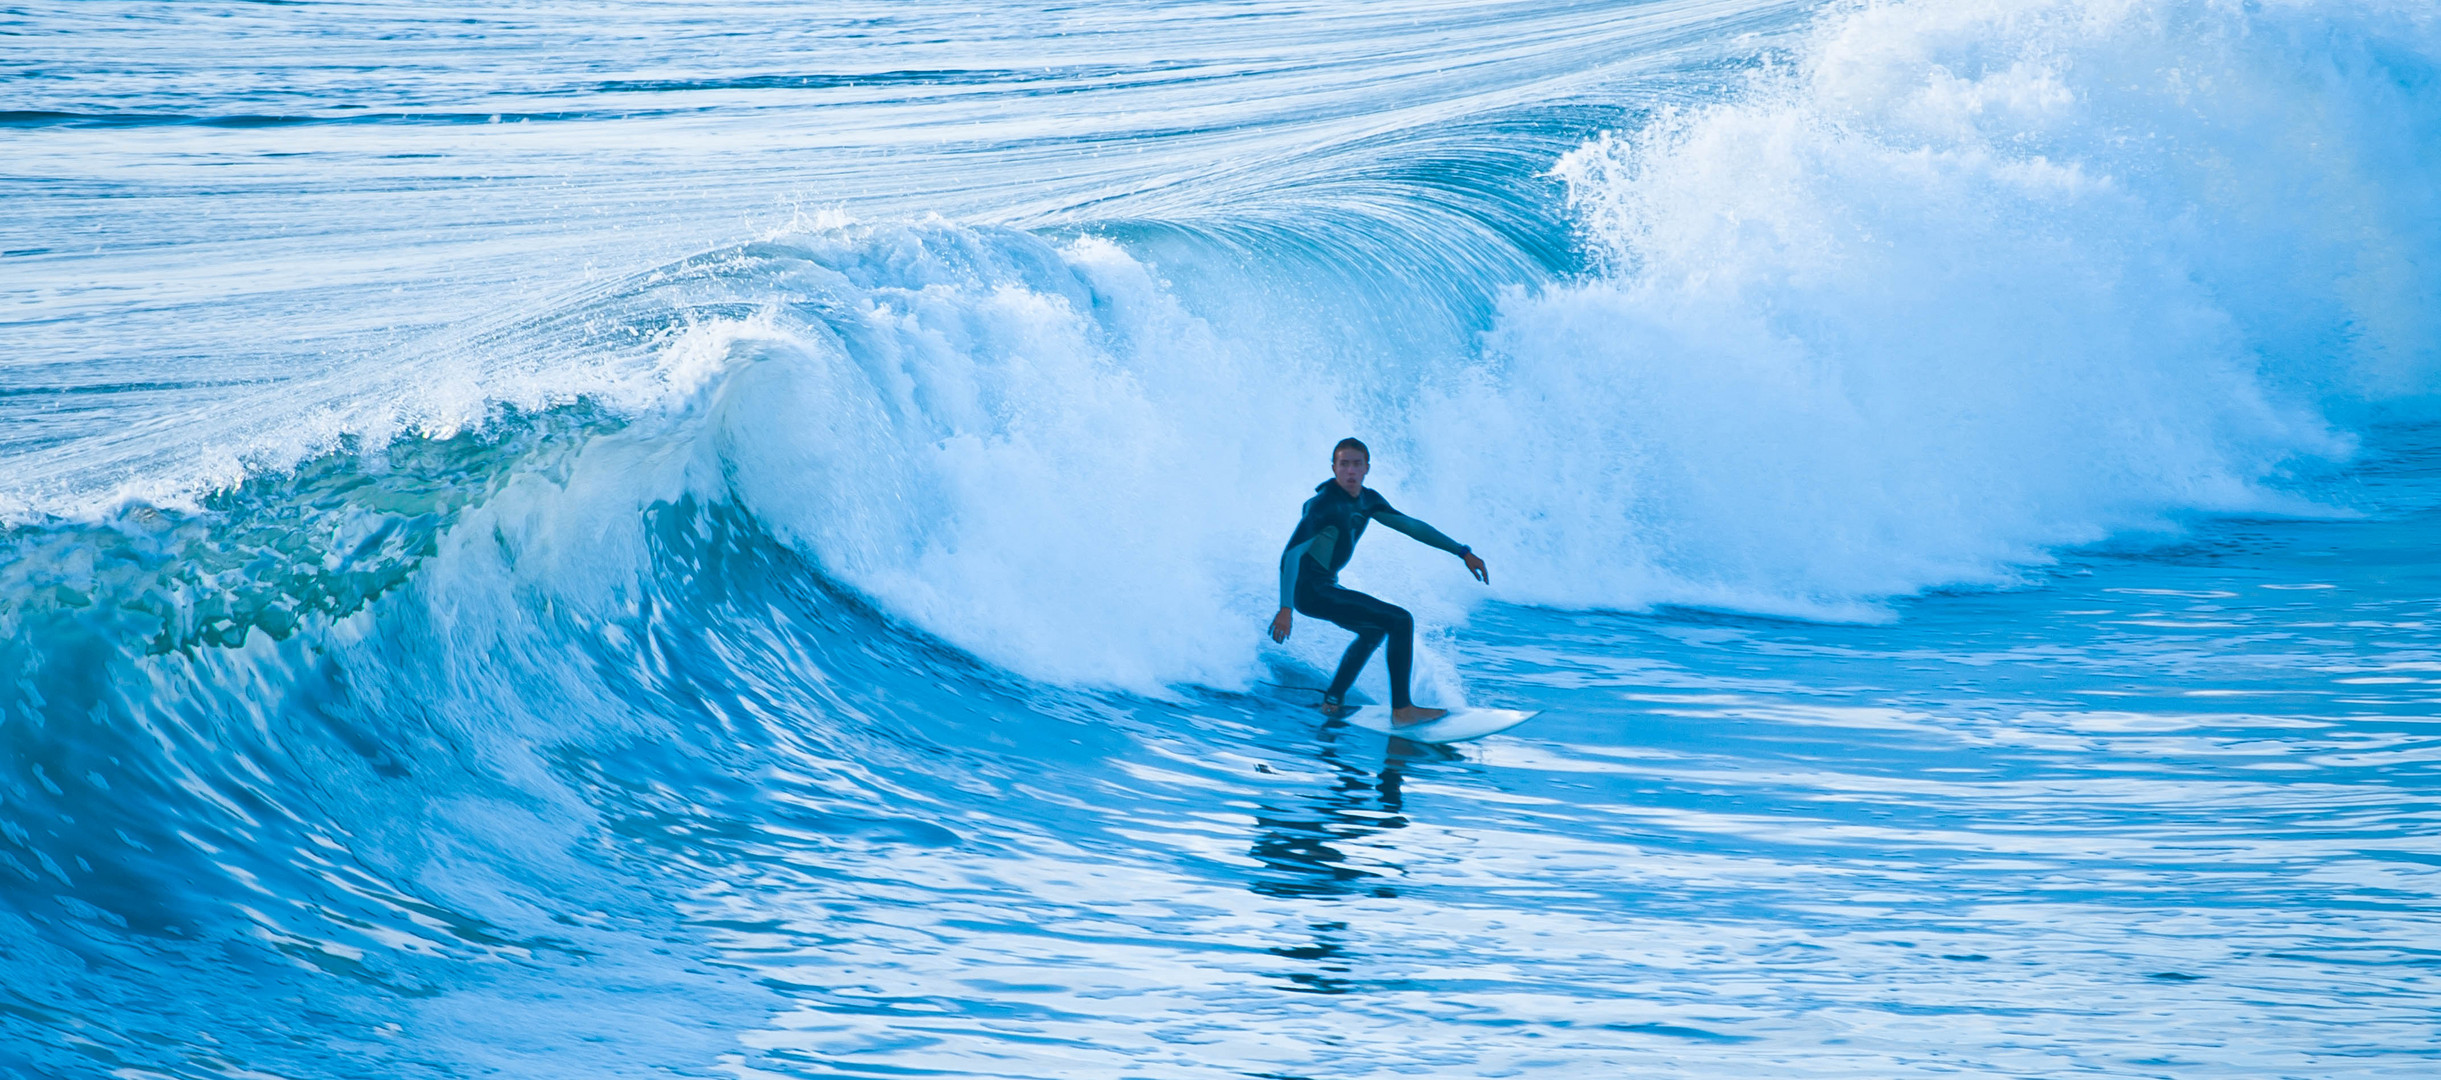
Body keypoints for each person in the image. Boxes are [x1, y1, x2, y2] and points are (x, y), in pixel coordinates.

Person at [1269, 437, 1488, 725]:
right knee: (1400, 620)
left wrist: (1462, 551)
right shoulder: (1323, 505)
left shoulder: (1367, 500)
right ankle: (1403, 710)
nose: (1350, 471)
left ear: (1367, 468)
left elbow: (1411, 526)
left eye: (1356, 464)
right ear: (1333, 468)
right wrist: (1286, 609)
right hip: (1309, 591)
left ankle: (1333, 701)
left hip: (1326, 586)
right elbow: (1291, 555)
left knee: (1373, 631)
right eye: (1343, 464)